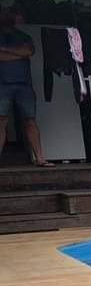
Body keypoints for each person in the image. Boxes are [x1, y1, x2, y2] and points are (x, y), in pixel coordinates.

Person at [0, 9, 51, 167]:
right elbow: (21, 53)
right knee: (1, 120)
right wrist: (19, 54)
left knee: (30, 120)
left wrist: (5, 50)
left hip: (24, 85)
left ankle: (40, 158)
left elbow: (29, 51)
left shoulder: (23, 36)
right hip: (2, 85)